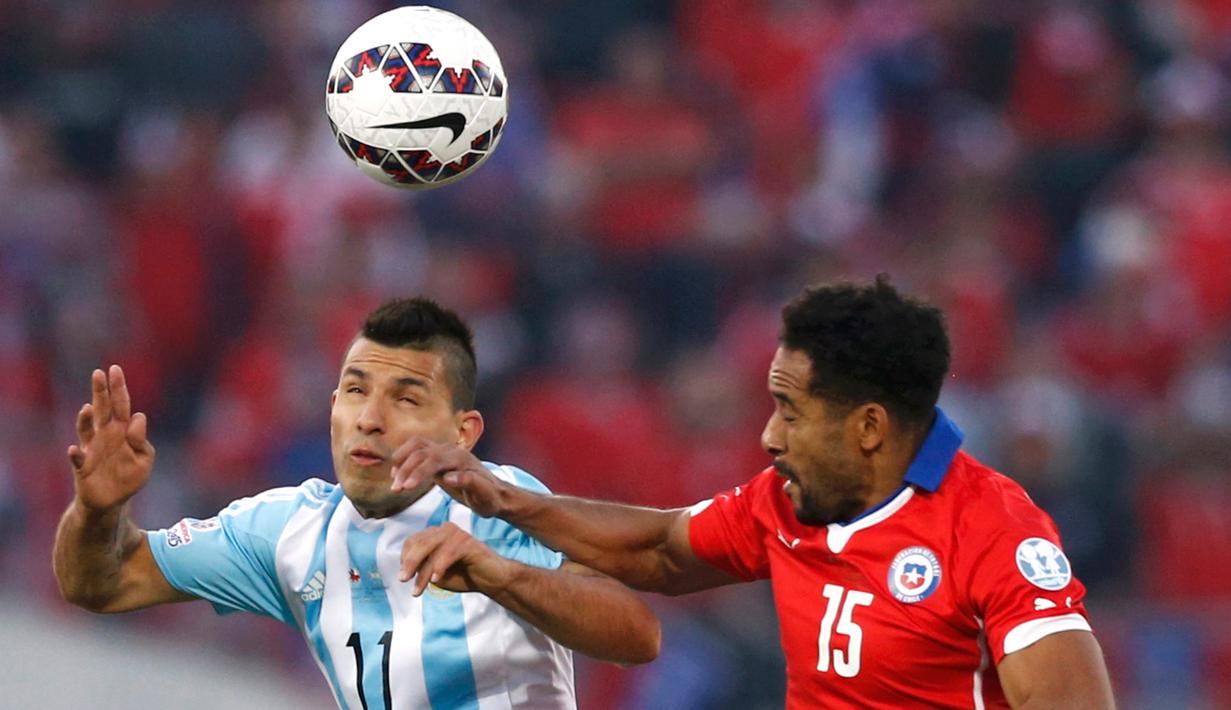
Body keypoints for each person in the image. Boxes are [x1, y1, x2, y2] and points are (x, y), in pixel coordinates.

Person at [391, 277, 1117, 709]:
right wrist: (503, 500)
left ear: (867, 427)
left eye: (790, 412)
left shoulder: (993, 531)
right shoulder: (787, 500)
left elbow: (1070, 701)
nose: (769, 437)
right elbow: (662, 551)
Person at [53, 297, 660, 710]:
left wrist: (499, 576)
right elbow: (101, 584)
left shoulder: (504, 502)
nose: (369, 419)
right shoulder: (288, 529)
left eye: (405, 397)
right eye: (355, 391)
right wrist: (98, 514)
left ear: (463, 433)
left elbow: (636, 635)